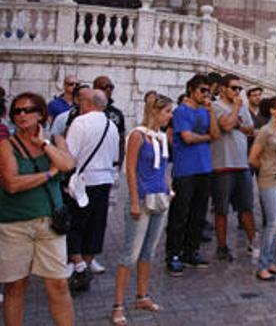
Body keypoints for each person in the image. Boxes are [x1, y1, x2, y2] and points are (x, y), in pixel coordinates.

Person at [0, 92, 76, 326]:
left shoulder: (55, 140)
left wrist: (42, 144)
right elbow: (12, 184)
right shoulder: (6, 145)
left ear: (41, 114)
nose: (21, 115)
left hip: (49, 223)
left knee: (59, 284)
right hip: (15, 225)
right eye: (16, 111)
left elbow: (68, 164)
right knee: (15, 286)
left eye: (27, 110)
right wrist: (50, 173)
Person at [110, 94, 173, 325]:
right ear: (155, 112)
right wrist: (135, 201)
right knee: (130, 254)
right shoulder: (138, 135)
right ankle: (117, 304)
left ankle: (142, 295)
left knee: (149, 252)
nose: (170, 116)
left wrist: (168, 188)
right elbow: (131, 169)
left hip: (160, 198)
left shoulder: (160, 137)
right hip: (143, 198)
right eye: (167, 112)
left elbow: (163, 166)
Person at [64, 88, 121, 292]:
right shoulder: (112, 126)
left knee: (74, 224)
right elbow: (115, 157)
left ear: (88, 103)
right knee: (96, 226)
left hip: (83, 182)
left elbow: (69, 156)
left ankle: (79, 266)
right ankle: (85, 266)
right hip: (104, 180)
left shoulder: (80, 123)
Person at [165, 74, 219, 276]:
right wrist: (205, 137)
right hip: (185, 169)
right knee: (180, 213)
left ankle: (191, 250)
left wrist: (212, 112)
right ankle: (173, 254)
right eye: (203, 90)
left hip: (204, 168)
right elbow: (187, 137)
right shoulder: (181, 111)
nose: (207, 94)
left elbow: (215, 134)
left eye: (208, 91)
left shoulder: (205, 111)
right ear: (191, 90)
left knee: (198, 213)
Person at [210, 74, 256, 262]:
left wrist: (235, 121)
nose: (238, 92)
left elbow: (250, 129)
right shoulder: (215, 106)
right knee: (222, 209)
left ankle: (254, 242)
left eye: (239, 89)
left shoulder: (243, 107)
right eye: (234, 88)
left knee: (246, 207)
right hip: (222, 164)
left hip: (241, 164)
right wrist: (236, 112)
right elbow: (227, 125)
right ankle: (222, 246)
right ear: (223, 89)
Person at [249, 97, 276, 281]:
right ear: (273, 110)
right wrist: (266, 168)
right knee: (272, 222)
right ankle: (262, 266)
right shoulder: (265, 131)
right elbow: (252, 158)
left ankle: (270, 260)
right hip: (269, 180)